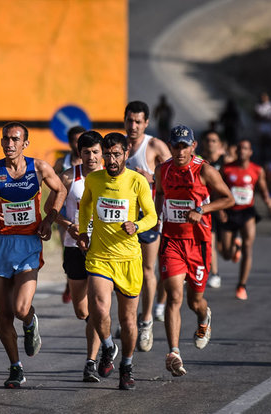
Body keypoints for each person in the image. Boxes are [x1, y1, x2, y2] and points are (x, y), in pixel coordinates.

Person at [0, 121, 66, 388]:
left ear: (25, 143)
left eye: (15, 139)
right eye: (5, 139)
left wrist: (50, 219)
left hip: (28, 244)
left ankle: (29, 319)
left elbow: (60, 190)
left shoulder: (39, 168)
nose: (9, 144)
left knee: (20, 308)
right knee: (4, 315)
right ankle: (15, 367)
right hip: (1, 245)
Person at [78, 132, 157, 390]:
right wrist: (82, 231)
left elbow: (152, 216)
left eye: (116, 154)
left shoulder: (136, 181)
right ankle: (109, 347)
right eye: (107, 154)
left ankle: (127, 365)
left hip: (129, 259)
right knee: (99, 309)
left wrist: (136, 224)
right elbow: (86, 206)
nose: (110, 159)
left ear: (125, 154)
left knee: (128, 320)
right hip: (100, 257)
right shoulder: (94, 179)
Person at [154, 125, 234, 377]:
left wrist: (203, 211)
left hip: (198, 244)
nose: (180, 151)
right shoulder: (162, 170)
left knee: (194, 301)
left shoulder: (205, 170)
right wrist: (154, 217)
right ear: (170, 146)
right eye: (175, 146)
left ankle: (203, 318)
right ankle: (174, 353)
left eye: (184, 146)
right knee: (174, 296)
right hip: (171, 241)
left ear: (193, 146)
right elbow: (158, 195)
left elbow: (229, 198)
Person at [47, 130, 103, 382]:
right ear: (78, 154)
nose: (91, 157)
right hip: (74, 248)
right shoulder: (68, 178)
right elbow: (50, 208)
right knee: (82, 311)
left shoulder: (113, 178)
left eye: (95, 152)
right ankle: (102, 327)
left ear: (102, 153)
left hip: (103, 250)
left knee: (98, 305)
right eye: (86, 152)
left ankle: (91, 361)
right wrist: (68, 224)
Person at [123, 101, 171, 352]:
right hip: (122, 220)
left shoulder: (154, 146)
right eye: (130, 121)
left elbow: (176, 174)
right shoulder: (117, 146)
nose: (133, 126)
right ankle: (127, 317)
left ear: (146, 123)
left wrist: (152, 178)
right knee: (121, 270)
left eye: (138, 122)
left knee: (147, 270)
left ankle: (146, 321)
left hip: (148, 218)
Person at [219, 139, 271, 300]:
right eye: (240, 148)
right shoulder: (227, 169)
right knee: (225, 254)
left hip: (247, 212)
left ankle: (241, 285)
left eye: (246, 148)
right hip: (230, 212)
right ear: (236, 151)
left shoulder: (257, 170)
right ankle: (234, 248)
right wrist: (220, 209)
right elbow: (218, 189)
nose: (242, 151)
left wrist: (268, 202)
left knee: (248, 247)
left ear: (250, 152)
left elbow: (263, 188)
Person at [54, 125, 86, 303]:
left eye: (80, 139)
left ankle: (80, 279)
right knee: (69, 244)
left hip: (84, 210)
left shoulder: (93, 162)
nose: (77, 143)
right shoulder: (63, 162)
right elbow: (52, 182)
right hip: (66, 211)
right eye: (74, 140)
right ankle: (71, 277)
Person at [199, 130, 227, 289]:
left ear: (219, 144)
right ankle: (214, 273)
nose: (210, 143)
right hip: (208, 207)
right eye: (208, 140)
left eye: (214, 140)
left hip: (225, 207)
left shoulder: (226, 161)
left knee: (225, 249)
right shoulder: (200, 161)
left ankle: (234, 245)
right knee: (210, 241)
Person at [254, 92, 271, 165]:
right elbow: (256, 116)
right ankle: (261, 158)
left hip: (268, 127)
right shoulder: (259, 106)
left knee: (268, 142)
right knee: (261, 142)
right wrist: (263, 118)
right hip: (261, 127)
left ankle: (268, 158)